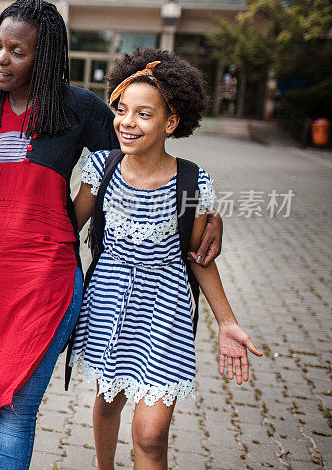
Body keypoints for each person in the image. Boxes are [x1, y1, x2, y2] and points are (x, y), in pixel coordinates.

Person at [0, 0, 224, 469]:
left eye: (18, 51)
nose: (2, 58)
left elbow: (144, 164)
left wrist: (206, 213)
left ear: (43, 57)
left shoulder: (79, 108)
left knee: (19, 412)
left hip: (48, 279)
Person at [69, 48, 262, 469]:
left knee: (151, 436)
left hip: (165, 308)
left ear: (170, 122)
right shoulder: (99, 168)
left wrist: (227, 322)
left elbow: (200, 257)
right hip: (107, 302)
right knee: (106, 405)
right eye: (121, 110)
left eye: (143, 114)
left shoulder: (194, 180)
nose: (126, 123)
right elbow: (64, 233)